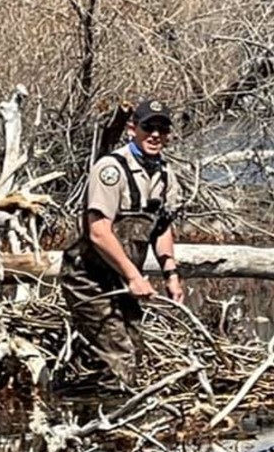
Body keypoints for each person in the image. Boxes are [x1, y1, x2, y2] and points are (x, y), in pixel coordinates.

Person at [60, 98, 184, 388]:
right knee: (120, 358)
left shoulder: (166, 175)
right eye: (147, 127)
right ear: (132, 129)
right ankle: (109, 428)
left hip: (121, 280)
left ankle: (77, 410)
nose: (155, 135)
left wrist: (171, 274)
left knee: (134, 350)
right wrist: (134, 277)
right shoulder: (110, 169)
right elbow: (99, 231)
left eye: (161, 129)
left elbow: (162, 227)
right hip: (87, 279)